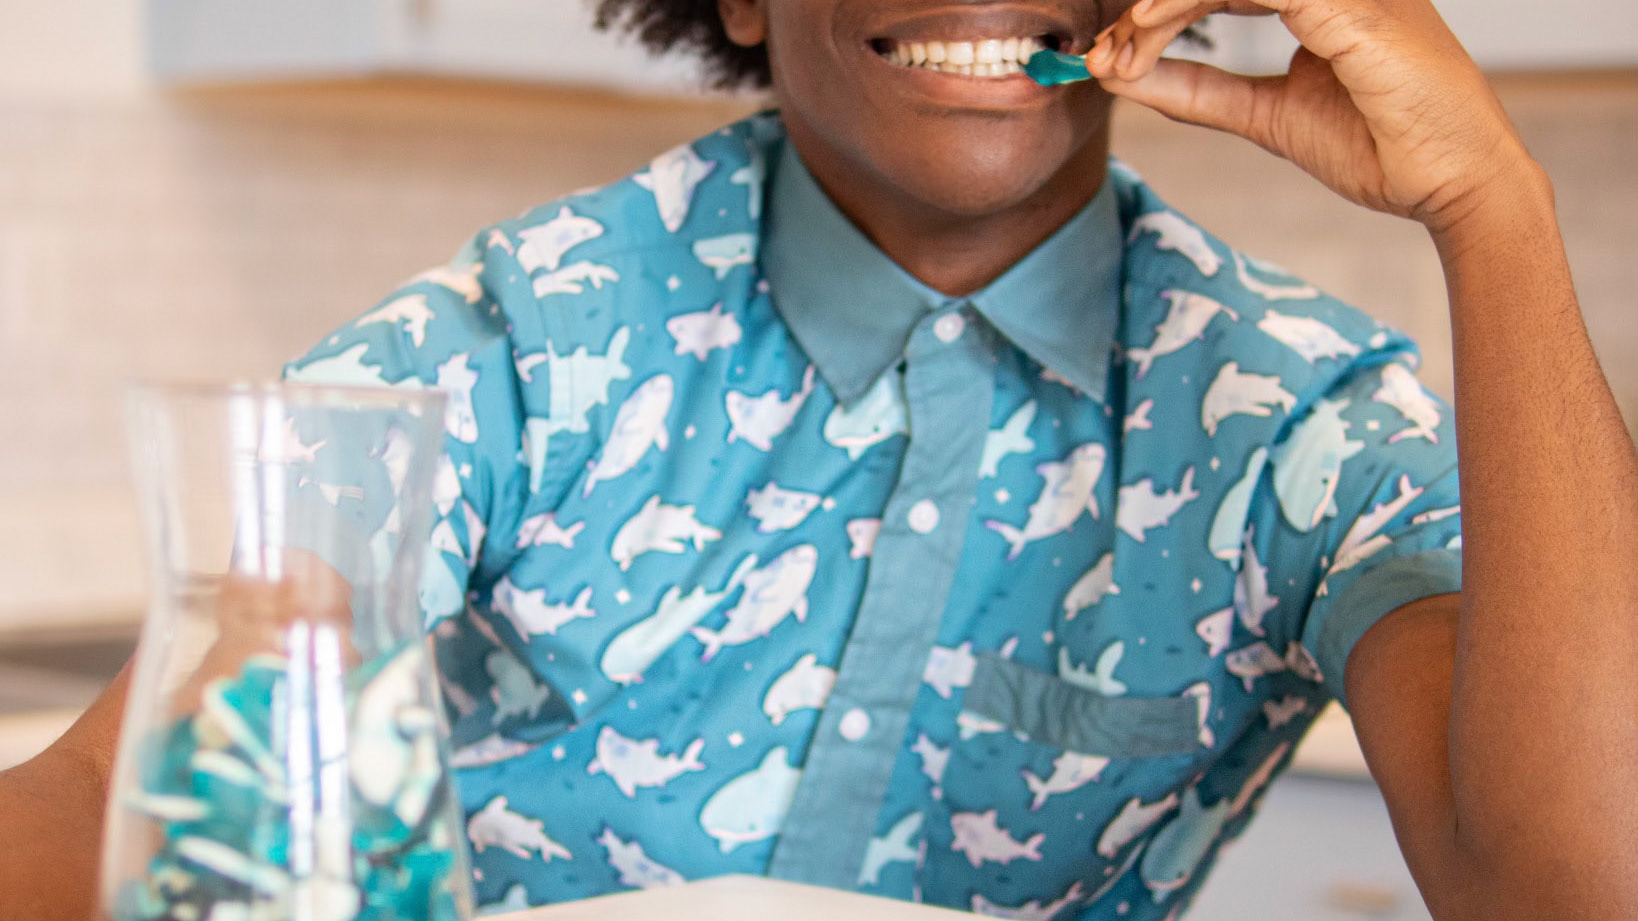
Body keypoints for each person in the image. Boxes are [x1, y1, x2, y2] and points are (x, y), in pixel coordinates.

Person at [3, 0, 1634, 919]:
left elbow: (1573, 887)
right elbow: (118, 794)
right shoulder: (529, 338)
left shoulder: (1298, 419)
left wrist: (1489, 206)